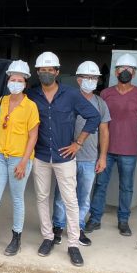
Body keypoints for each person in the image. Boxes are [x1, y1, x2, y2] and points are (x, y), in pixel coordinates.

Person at [27, 52, 100, 267]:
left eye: (50, 70)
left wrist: (78, 143)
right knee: (42, 197)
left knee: (71, 200)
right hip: (40, 155)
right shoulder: (32, 95)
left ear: (57, 72)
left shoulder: (71, 95)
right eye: (42, 71)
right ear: (37, 73)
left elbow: (94, 116)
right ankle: (48, 237)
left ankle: (74, 244)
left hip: (64, 157)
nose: (46, 73)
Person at [0, 60, 39, 258]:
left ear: (25, 83)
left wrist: (24, 162)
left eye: (19, 80)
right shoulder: (1, 101)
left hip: (18, 159)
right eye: (12, 79)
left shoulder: (30, 106)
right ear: (8, 80)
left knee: (17, 198)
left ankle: (16, 238)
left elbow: (33, 136)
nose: (15, 82)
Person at [86, 53, 137, 236]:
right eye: (122, 68)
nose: (125, 72)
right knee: (100, 184)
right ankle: (95, 218)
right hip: (106, 149)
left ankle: (123, 221)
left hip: (129, 150)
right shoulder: (106, 94)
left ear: (134, 73)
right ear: (115, 71)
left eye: (129, 69)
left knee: (126, 186)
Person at [51, 61, 110, 247]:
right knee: (62, 194)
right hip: (67, 155)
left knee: (84, 196)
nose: (91, 81)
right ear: (78, 80)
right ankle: (58, 227)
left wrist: (102, 157)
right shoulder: (67, 98)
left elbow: (104, 131)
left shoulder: (100, 104)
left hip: (89, 157)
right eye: (87, 77)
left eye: (94, 78)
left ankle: (78, 227)